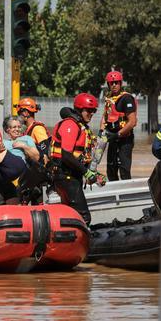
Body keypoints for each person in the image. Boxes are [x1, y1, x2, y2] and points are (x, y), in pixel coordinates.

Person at [51, 93, 105, 225]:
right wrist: (86, 172)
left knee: (71, 215)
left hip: (72, 176)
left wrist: (93, 174)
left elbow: (79, 157)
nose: (91, 114)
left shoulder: (81, 126)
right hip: (65, 176)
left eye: (93, 111)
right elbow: (67, 155)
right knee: (83, 217)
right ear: (79, 109)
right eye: (88, 110)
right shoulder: (71, 125)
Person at [101, 70, 137, 181]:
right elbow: (105, 117)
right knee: (111, 169)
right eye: (111, 83)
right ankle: (114, 194)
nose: (114, 85)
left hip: (124, 139)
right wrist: (101, 132)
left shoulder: (126, 98)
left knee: (124, 170)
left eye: (116, 82)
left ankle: (127, 195)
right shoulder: (109, 98)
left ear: (120, 83)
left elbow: (132, 122)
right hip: (112, 138)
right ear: (108, 84)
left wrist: (118, 134)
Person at [15, 97, 51, 162]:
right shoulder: (28, 129)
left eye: (19, 113)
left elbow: (46, 153)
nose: (18, 116)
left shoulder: (37, 129)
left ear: (25, 113)